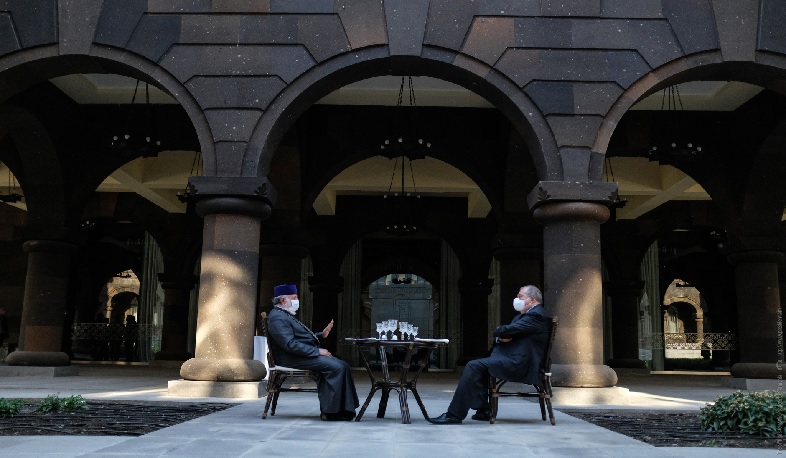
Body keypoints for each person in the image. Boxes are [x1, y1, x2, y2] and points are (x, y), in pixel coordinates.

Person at [428, 285, 550, 424]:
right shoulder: (526, 315)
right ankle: (483, 409)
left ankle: (454, 414)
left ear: (532, 299)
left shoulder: (536, 316)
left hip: (521, 363)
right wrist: (502, 335)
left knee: (473, 366)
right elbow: (507, 333)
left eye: (520, 296)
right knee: (481, 365)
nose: (517, 299)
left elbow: (505, 330)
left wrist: (501, 332)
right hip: (513, 358)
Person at [266, 283, 359, 421]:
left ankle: (343, 409)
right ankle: (331, 412)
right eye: (295, 297)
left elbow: (298, 338)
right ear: (283, 300)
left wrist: (321, 335)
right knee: (336, 367)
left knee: (342, 365)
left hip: (297, 355)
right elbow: (289, 344)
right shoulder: (277, 318)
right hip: (290, 358)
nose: (297, 300)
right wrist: (317, 351)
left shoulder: (284, 315)